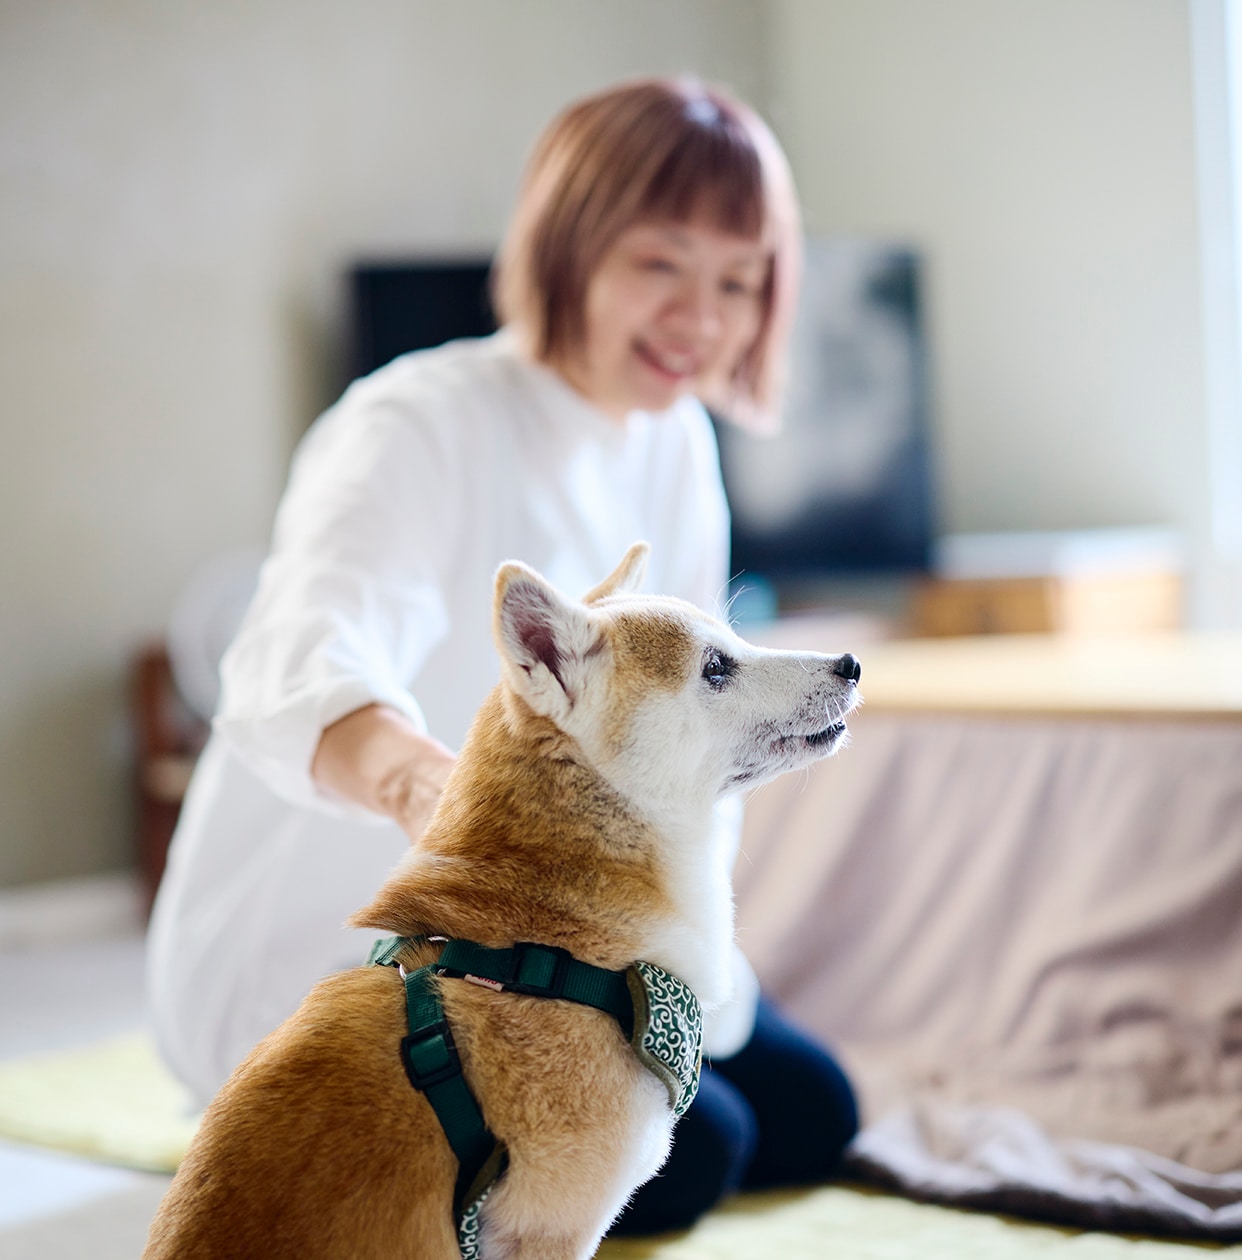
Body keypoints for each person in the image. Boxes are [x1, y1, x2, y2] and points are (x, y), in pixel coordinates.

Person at [146, 76, 858, 1234]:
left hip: (578, 919)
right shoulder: (415, 421)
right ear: (571, 244)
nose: (704, 319)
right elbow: (294, 651)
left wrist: (693, 978)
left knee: (815, 1108)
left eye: (739, 281)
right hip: (379, 947)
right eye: (662, 265)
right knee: (708, 1146)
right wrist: (425, 788)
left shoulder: (675, 439)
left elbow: (699, 736)